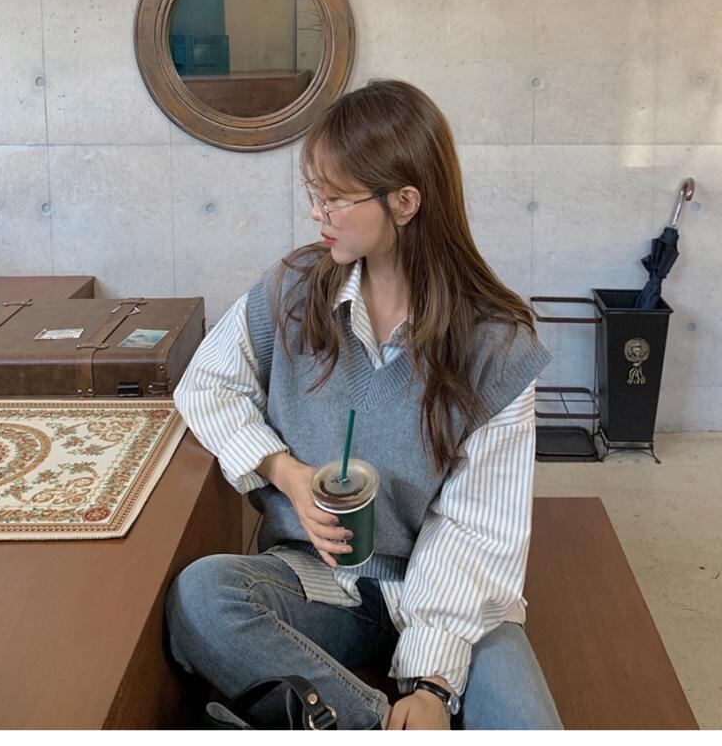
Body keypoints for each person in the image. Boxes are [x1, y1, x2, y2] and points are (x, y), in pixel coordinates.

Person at [164, 75, 560, 730]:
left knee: (528, 728)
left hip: (451, 598)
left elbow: (477, 530)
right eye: (313, 193)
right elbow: (206, 384)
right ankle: (373, 727)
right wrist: (289, 475)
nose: (317, 213)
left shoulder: (495, 346)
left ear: (404, 201)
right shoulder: (294, 290)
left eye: (336, 197)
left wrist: (432, 684)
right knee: (203, 598)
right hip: (315, 581)